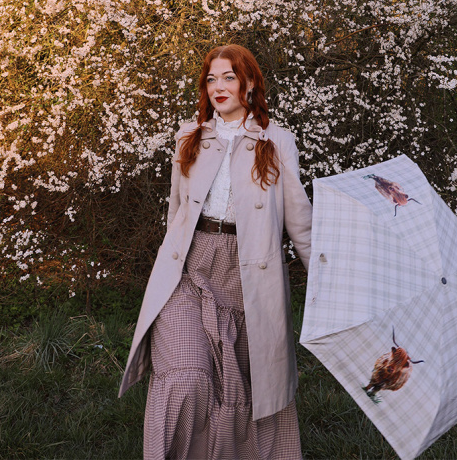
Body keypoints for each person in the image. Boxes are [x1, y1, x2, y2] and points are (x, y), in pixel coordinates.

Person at [119, 44, 313, 460]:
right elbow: (176, 212)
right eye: (211, 78)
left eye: (228, 77)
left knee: (243, 384)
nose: (218, 87)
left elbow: (300, 222)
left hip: (249, 275)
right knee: (186, 377)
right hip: (190, 269)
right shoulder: (189, 137)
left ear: (250, 83)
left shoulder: (277, 141)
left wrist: (328, 286)